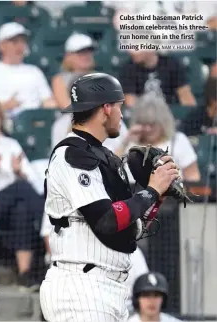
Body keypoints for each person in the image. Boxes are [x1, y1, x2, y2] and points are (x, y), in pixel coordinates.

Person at [39, 72, 181, 321]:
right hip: (81, 286)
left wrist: (156, 196)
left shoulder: (105, 158)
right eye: (119, 106)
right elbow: (106, 220)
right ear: (106, 108)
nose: (121, 114)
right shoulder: (72, 154)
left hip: (107, 287)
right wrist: (151, 190)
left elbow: (130, 229)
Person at [0, 96, 45, 291]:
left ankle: (24, 273)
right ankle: (49, 226)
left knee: (21, 207)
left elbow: (34, 182)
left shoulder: (11, 144)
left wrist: (19, 172)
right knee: (21, 190)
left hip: (11, 207)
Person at [115, 93, 201, 183]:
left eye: (152, 124)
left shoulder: (178, 141)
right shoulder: (130, 143)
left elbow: (193, 177)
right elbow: (109, 172)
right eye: (144, 124)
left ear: (162, 123)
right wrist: (125, 142)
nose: (148, 129)